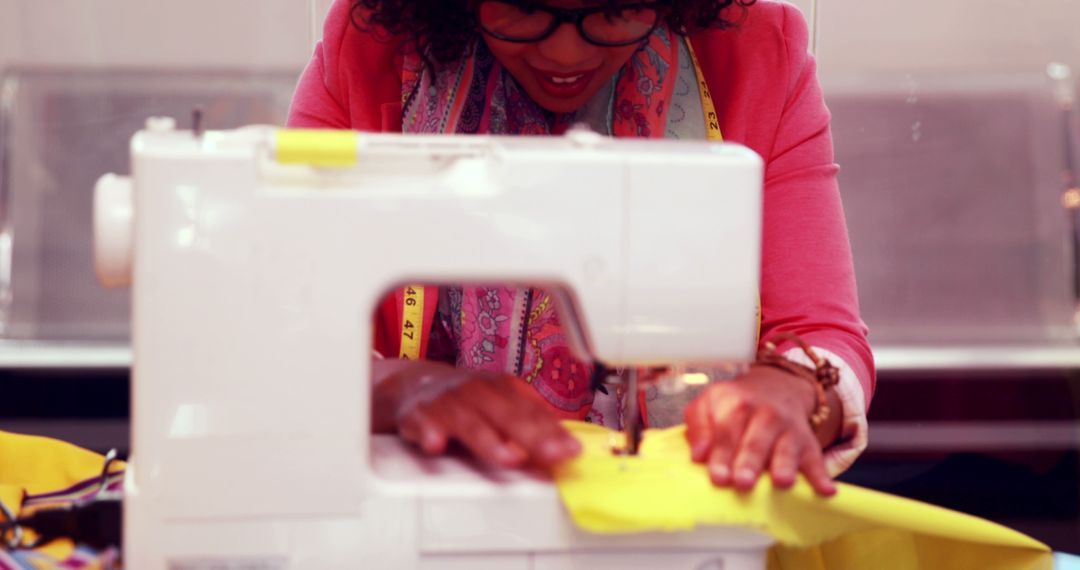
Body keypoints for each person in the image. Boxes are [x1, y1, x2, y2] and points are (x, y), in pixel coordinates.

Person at [288, 0, 874, 497]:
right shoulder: (367, 51)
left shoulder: (757, 55)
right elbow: (280, 334)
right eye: (524, 6)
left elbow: (825, 334)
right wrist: (395, 388)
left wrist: (795, 392)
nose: (566, 54)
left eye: (615, 9)